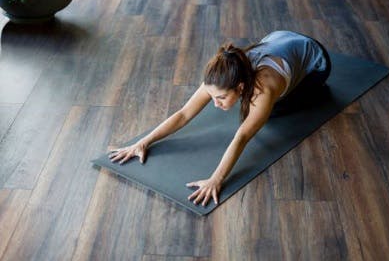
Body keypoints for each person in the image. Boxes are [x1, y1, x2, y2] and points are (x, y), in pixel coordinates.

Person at [108, 30, 331, 207]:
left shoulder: (264, 88)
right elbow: (184, 114)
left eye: (222, 98)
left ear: (241, 87)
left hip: (315, 60)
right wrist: (142, 142)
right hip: (281, 38)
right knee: (251, 109)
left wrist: (216, 179)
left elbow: (243, 135)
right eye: (213, 97)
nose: (216, 104)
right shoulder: (221, 75)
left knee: (270, 114)